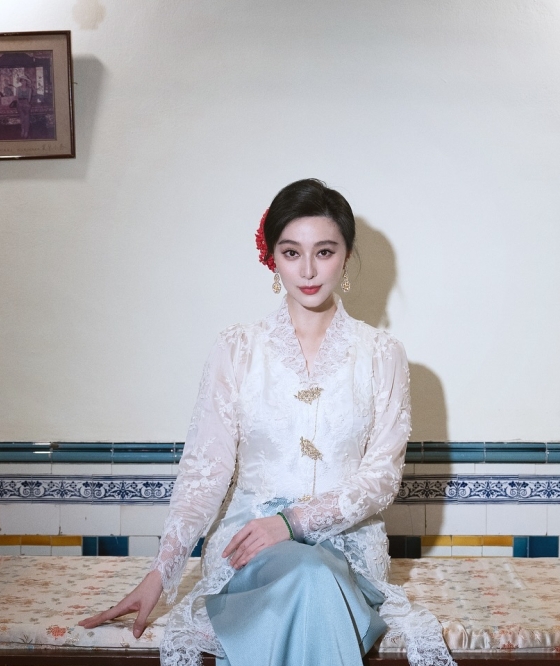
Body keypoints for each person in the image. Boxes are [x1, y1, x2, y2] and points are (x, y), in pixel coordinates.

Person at [80, 179, 453, 666]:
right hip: (247, 550)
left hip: (347, 551)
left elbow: (381, 479)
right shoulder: (237, 349)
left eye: (324, 251)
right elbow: (204, 471)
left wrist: (292, 523)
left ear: (345, 256)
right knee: (307, 581)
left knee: (315, 577)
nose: (308, 269)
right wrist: (160, 574)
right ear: (273, 258)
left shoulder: (382, 355)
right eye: (292, 252)